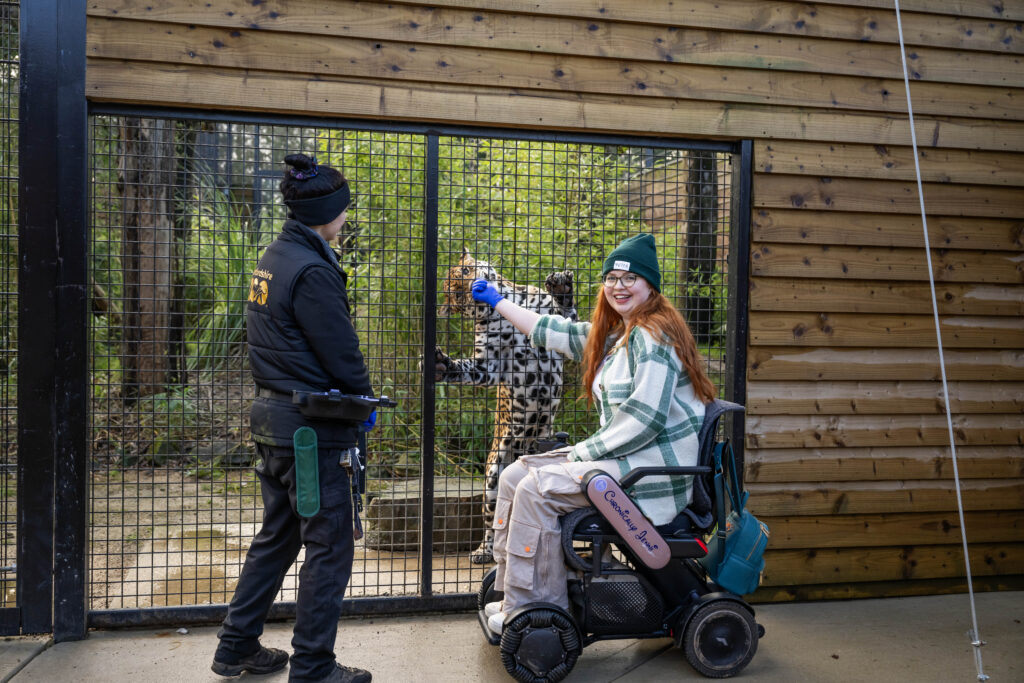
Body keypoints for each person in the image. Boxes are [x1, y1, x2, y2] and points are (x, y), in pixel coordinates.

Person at [470, 234, 717, 634]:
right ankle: (513, 589)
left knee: (536, 490)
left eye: (630, 277)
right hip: (627, 463)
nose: (619, 285)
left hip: (650, 476)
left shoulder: (654, 336)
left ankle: (533, 607)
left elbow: (645, 419)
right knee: (515, 475)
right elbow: (554, 331)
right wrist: (498, 301)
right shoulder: (620, 334)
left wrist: (582, 454)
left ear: (650, 285)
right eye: (612, 277)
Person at [212, 154, 374, 683]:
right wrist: (364, 401)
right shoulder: (312, 271)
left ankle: (236, 647)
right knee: (329, 546)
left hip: (276, 420)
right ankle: (313, 666)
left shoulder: (277, 255)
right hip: (312, 431)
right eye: (344, 208)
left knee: (279, 535)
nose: (346, 217)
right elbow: (341, 352)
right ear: (329, 210)